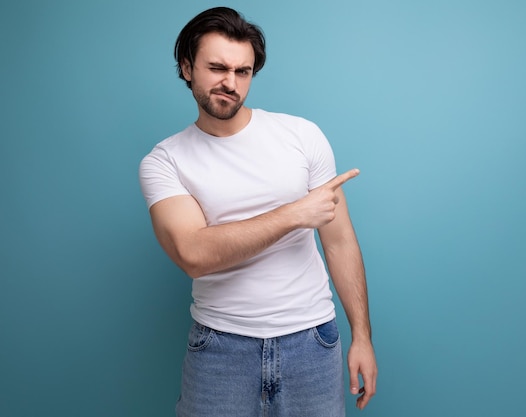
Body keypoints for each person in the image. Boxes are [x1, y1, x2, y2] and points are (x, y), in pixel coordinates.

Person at [139, 7, 377, 416]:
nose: (230, 83)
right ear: (186, 68)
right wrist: (293, 214)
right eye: (216, 68)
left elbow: (339, 243)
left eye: (243, 71)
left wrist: (362, 337)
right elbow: (194, 254)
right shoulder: (165, 162)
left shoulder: (301, 136)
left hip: (313, 342)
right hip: (221, 349)